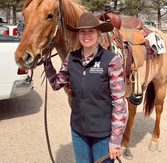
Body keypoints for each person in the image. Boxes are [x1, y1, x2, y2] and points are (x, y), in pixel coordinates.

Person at [44, 12, 126, 163]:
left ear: (98, 33)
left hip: (103, 134)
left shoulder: (111, 61)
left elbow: (119, 103)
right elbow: (56, 84)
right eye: (82, 31)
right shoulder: (71, 58)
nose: (86, 35)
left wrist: (115, 140)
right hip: (78, 132)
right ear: (78, 34)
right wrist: (47, 62)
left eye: (91, 31)